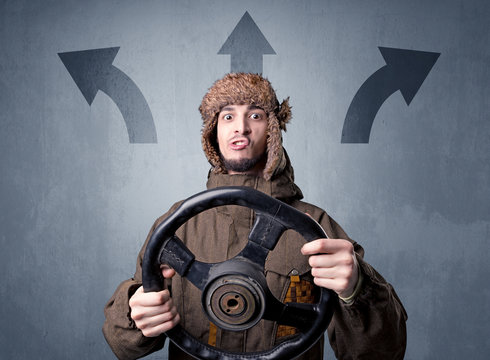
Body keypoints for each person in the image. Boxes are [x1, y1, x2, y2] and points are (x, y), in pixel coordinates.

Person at [103, 73, 407, 359]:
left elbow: (383, 353)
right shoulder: (176, 227)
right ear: (214, 133)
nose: (241, 128)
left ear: (272, 129)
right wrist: (137, 314)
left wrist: (356, 287)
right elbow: (122, 345)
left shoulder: (316, 227)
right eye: (228, 116)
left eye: (255, 115)